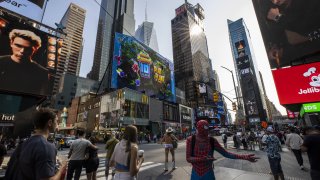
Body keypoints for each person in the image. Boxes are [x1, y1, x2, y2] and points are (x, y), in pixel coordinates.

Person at [5, 108, 67, 180]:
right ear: (50, 122)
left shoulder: (23, 144)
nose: (57, 124)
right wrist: (62, 168)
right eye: (56, 121)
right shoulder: (46, 147)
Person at [186, 120, 258, 180]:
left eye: (206, 131)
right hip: (196, 173)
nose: (205, 134)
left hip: (208, 172)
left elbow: (226, 154)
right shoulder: (191, 140)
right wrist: (203, 159)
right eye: (203, 132)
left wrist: (244, 157)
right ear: (198, 130)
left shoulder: (211, 140)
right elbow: (188, 158)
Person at [0, 29, 49, 94]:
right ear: (11, 43)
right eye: (18, 46)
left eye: (28, 48)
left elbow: (39, 97)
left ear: (35, 49)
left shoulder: (42, 72)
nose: (22, 51)